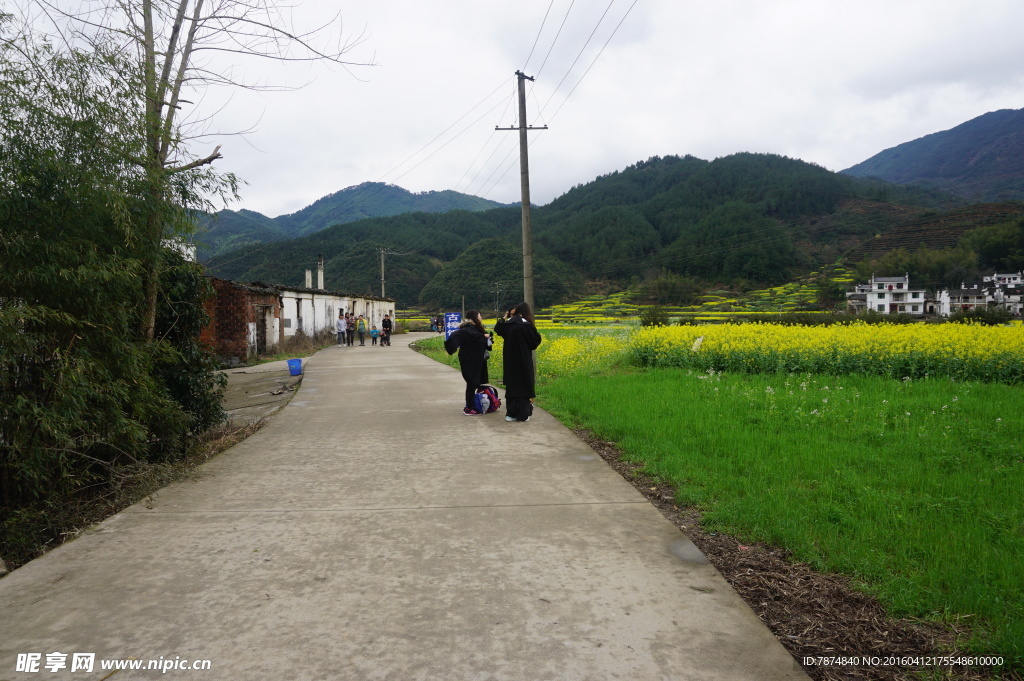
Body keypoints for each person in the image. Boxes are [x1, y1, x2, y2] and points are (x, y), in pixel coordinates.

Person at [494, 302, 542, 422]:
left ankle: (510, 414)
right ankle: (523, 414)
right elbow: (534, 343)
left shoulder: (508, 324)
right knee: (524, 386)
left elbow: (498, 329)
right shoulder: (526, 326)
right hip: (523, 361)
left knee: (512, 386)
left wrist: (503, 318)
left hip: (510, 361)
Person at [444, 310, 492, 415]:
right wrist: (451, 348)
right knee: (472, 383)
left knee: (477, 382)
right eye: (479, 315)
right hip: (469, 360)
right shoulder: (467, 330)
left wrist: (487, 339)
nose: (481, 317)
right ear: (474, 317)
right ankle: (469, 408)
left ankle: (476, 403)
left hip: (478, 360)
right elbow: (454, 337)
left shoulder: (478, 329)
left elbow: (482, 342)